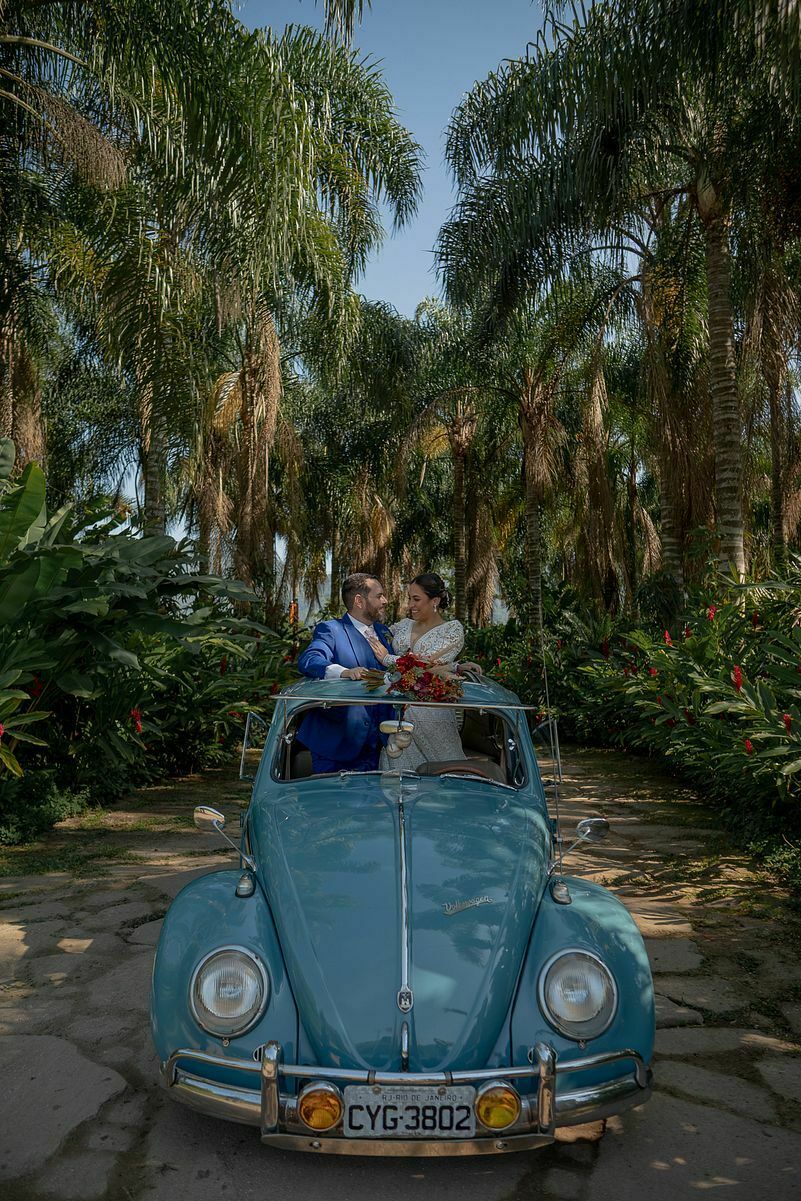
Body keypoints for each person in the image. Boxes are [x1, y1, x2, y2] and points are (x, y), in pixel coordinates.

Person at [365, 572, 467, 771]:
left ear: (435, 600)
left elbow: (426, 667)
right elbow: (373, 635)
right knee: (399, 777)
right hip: (397, 714)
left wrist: (387, 658)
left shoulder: (452, 630)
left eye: (416, 599)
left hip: (431, 713)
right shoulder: (404, 625)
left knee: (446, 771)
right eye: (409, 598)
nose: (410, 604)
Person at [297, 573, 394, 774]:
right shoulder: (331, 629)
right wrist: (344, 672)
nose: (385, 601)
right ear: (359, 600)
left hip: (379, 748)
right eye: (379, 596)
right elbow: (310, 660)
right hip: (334, 745)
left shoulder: (386, 633)